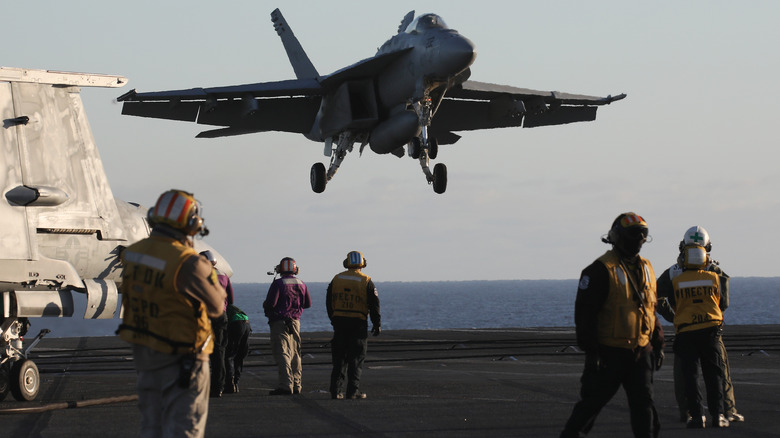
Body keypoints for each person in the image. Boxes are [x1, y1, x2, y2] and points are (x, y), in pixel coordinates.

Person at [117, 189, 226, 438]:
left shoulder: (133, 255)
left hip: (147, 358)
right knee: (184, 430)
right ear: (191, 223)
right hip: (184, 360)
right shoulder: (190, 262)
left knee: (152, 428)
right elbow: (217, 306)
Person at [560, 213, 664, 438]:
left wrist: (658, 343)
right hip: (609, 355)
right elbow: (585, 315)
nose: (638, 240)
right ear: (618, 237)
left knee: (645, 409)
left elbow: (650, 309)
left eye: (641, 236)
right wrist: (592, 352)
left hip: (641, 352)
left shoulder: (647, 268)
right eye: (633, 235)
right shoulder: (599, 270)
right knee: (590, 406)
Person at [656, 226, 743, 424]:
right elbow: (724, 303)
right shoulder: (714, 271)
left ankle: (687, 413)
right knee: (719, 373)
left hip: (684, 330)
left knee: (685, 374)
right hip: (711, 330)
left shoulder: (672, 273)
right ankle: (726, 411)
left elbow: (656, 296)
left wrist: (674, 316)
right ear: (708, 247)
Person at [326, 251, 381, 400]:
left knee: (339, 359)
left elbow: (328, 300)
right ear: (363, 264)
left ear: (346, 263)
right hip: (358, 323)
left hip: (339, 322)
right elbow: (374, 305)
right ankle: (352, 391)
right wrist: (377, 324)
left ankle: (336, 391)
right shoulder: (366, 280)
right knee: (356, 358)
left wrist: (333, 318)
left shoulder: (337, 279)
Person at [263, 257, 312, 395]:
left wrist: (266, 306)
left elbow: (271, 303)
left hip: (279, 322)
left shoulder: (278, 284)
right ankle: (297, 384)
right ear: (295, 269)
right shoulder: (301, 283)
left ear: (280, 269)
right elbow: (308, 304)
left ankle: (286, 384)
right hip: (295, 322)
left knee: (282, 352)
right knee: (296, 353)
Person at [200, 250, 234, 398]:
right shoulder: (224, 275)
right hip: (222, 315)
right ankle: (218, 387)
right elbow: (231, 298)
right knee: (219, 352)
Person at [224, 303, 251, 394]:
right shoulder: (231, 307)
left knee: (229, 355)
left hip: (236, 323)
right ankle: (236, 382)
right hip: (246, 322)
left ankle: (229, 383)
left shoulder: (219, 307)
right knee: (239, 355)